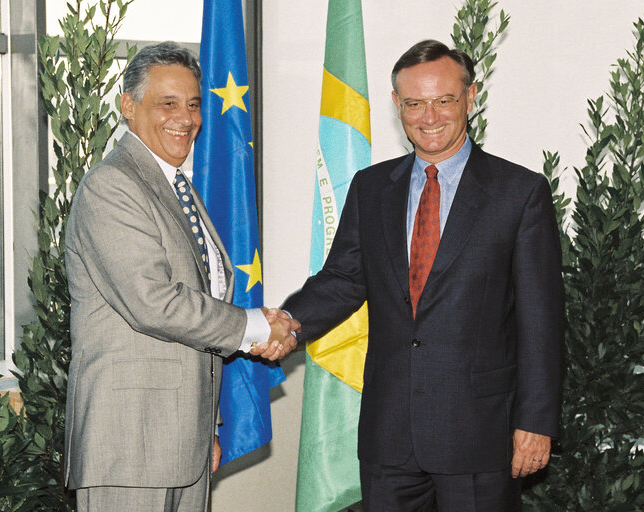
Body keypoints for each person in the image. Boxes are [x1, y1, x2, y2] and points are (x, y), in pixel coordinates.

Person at [282, 39, 564, 511]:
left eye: (444, 101)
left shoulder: (519, 193)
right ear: (397, 105)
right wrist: (285, 324)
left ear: (471, 98)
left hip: (479, 437)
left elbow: (542, 322)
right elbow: (343, 280)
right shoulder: (371, 188)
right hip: (389, 436)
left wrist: (536, 422)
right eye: (414, 103)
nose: (429, 117)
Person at [63, 41, 297, 512]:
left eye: (193, 104)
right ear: (128, 106)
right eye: (167, 103)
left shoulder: (177, 186)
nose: (185, 118)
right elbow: (156, 304)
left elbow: (197, 310)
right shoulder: (112, 185)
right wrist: (256, 326)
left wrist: (203, 428)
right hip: (128, 445)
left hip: (181, 443)